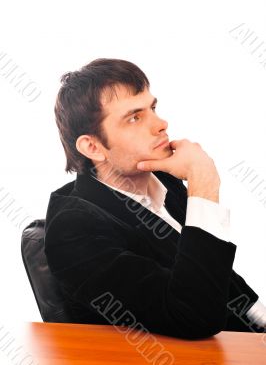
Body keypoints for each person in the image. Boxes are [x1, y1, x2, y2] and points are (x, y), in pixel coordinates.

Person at [44, 58, 266, 339]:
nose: (161, 124)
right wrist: (204, 184)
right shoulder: (72, 231)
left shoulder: (165, 180)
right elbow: (194, 318)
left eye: (153, 108)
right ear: (92, 146)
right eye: (135, 117)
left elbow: (219, 277)